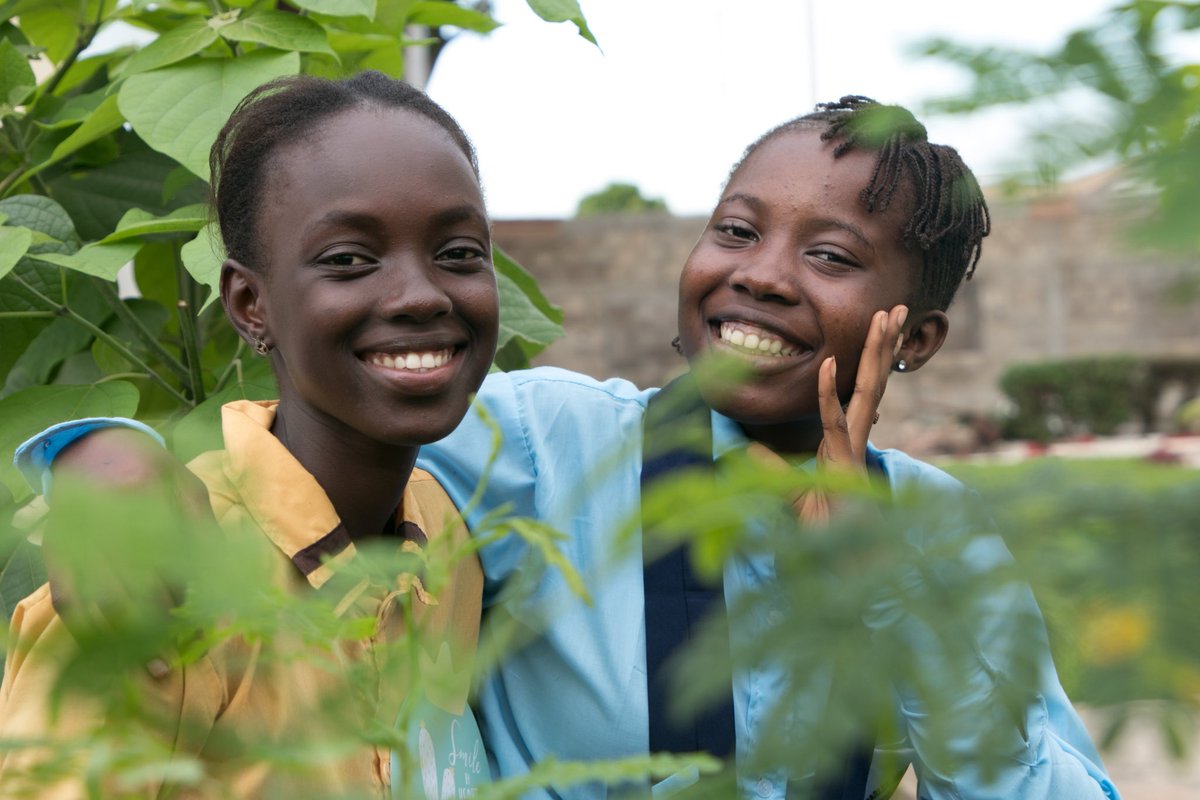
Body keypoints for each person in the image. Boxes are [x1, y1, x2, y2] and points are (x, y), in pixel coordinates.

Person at [10, 97, 1120, 799]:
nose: (761, 273)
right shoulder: (548, 441)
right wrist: (103, 449)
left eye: (829, 254)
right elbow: (305, 463)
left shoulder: (938, 534)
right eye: (736, 229)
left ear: (916, 335)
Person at [0, 71, 498, 798]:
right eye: (348, 260)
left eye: (457, 253)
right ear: (248, 303)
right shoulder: (155, 581)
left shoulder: (446, 542)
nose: (421, 293)